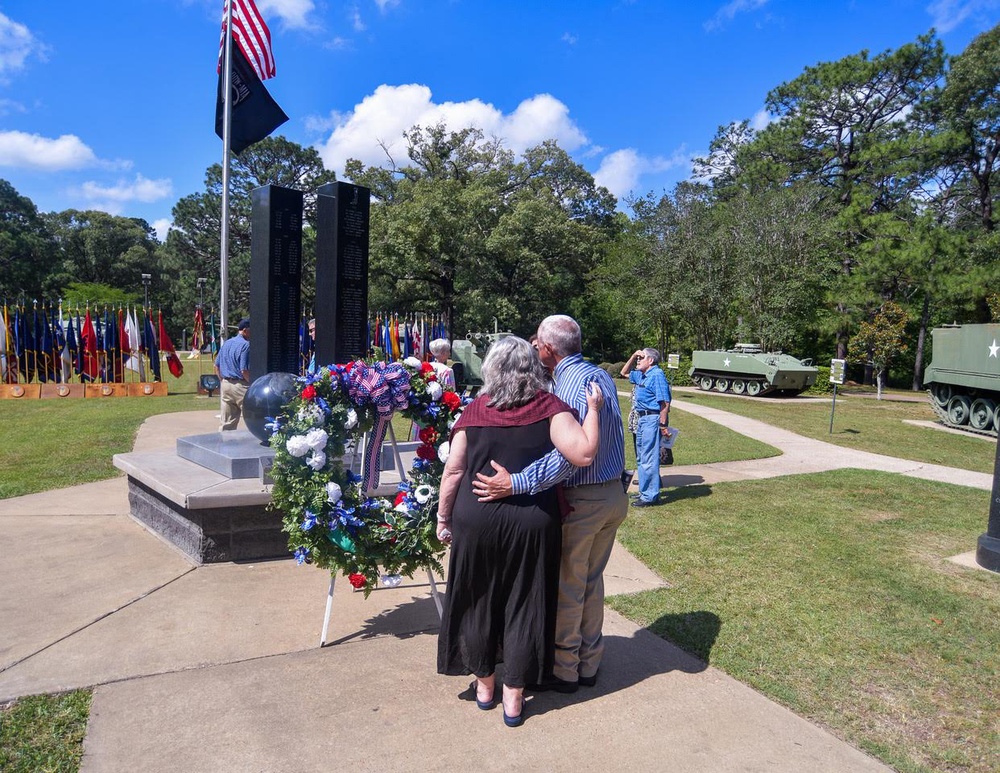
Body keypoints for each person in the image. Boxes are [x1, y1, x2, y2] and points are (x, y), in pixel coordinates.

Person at [436, 336, 605, 728]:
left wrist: (443, 517)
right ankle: (514, 695)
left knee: (477, 599)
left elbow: (455, 470)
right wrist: (592, 410)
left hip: (475, 518)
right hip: (531, 521)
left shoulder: (474, 410)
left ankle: (484, 686)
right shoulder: (551, 408)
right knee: (524, 601)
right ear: (534, 368)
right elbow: (583, 453)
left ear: (490, 370)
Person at [471, 314, 627, 694]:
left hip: (584, 498)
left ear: (549, 349)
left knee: (569, 586)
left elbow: (569, 454)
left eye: (538, 343)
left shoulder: (569, 387)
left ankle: (565, 670)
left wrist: (517, 482)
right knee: (590, 583)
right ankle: (589, 662)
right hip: (611, 495)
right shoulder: (598, 375)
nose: (535, 348)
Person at [620, 348, 671, 505]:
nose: (638, 361)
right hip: (641, 419)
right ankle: (644, 492)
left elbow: (665, 402)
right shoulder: (642, 374)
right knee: (641, 457)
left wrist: (663, 425)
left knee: (649, 458)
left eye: (642, 358)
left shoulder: (656, 375)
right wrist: (634, 354)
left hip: (651, 419)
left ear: (651, 361)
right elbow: (623, 372)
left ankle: (650, 496)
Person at [214, 318, 250, 431]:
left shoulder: (227, 343)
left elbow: (216, 365)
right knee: (253, 415)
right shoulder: (246, 345)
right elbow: (244, 370)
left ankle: (223, 446)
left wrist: (222, 381)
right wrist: (253, 384)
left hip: (225, 384)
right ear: (245, 330)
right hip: (241, 386)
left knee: (227, 423)